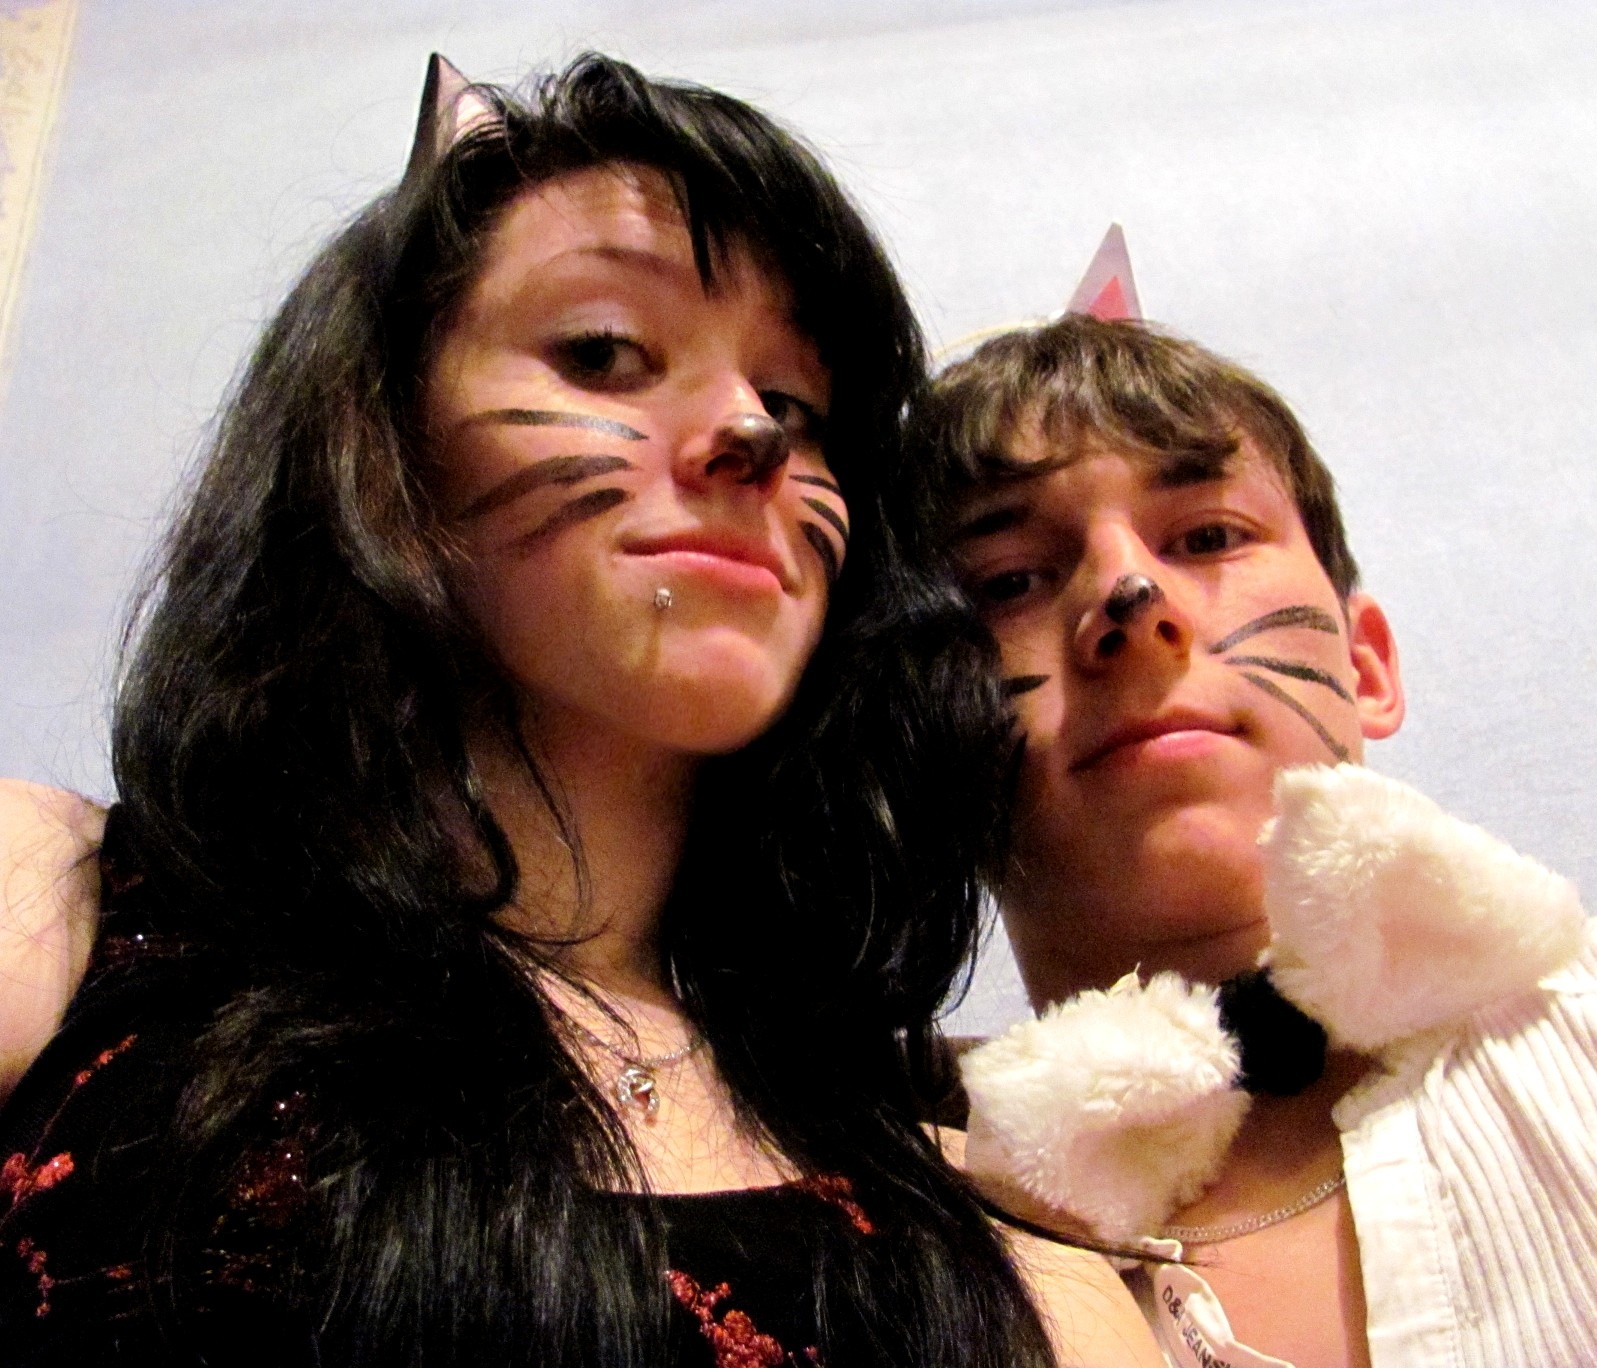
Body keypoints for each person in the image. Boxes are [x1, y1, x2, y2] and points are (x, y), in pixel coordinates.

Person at [0, 56, 1157, 1366]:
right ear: (377, 440)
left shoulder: (992, 1254)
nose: (750, 434)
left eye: (798, 403)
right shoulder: (57, 907)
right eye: (603, 351)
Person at [915, 307, 1597, 1367]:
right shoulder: (856, 1260)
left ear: (1370, 665)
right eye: (1009, 583)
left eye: (1209, 536)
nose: (1129, 596)